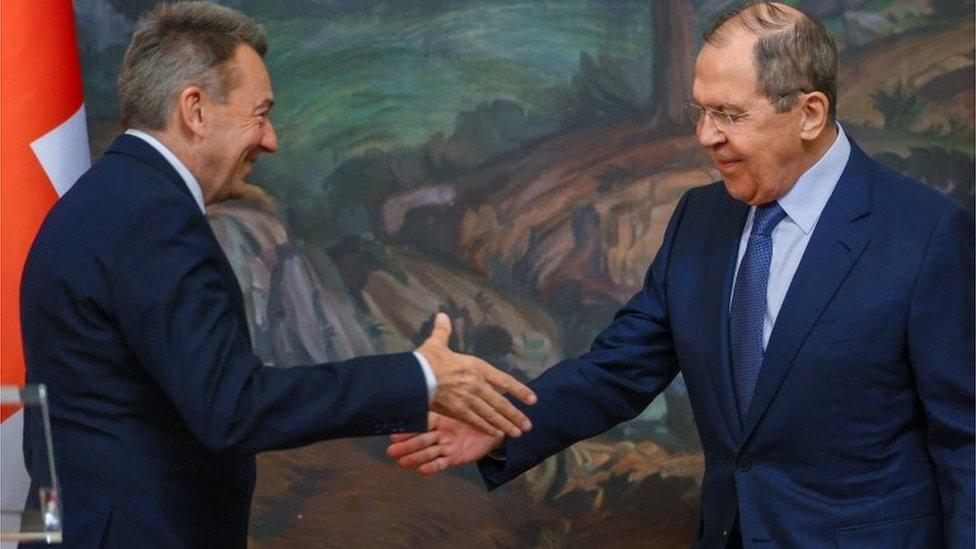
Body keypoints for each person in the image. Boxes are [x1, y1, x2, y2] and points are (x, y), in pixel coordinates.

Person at [387, 3, 974, 547]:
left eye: (729, 115)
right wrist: (503, 425)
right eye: (701, 111)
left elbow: (965, 444)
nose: (704, 136)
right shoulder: (701, 217)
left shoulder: (926, 235)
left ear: (809, 114)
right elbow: (619, 370)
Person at [18, 2, 537, 546]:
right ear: (194, 110)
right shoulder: (153, 217)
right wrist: (419, 377)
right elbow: (233, 406)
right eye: (259, 113)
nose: (271, 140)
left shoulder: (105, 201)